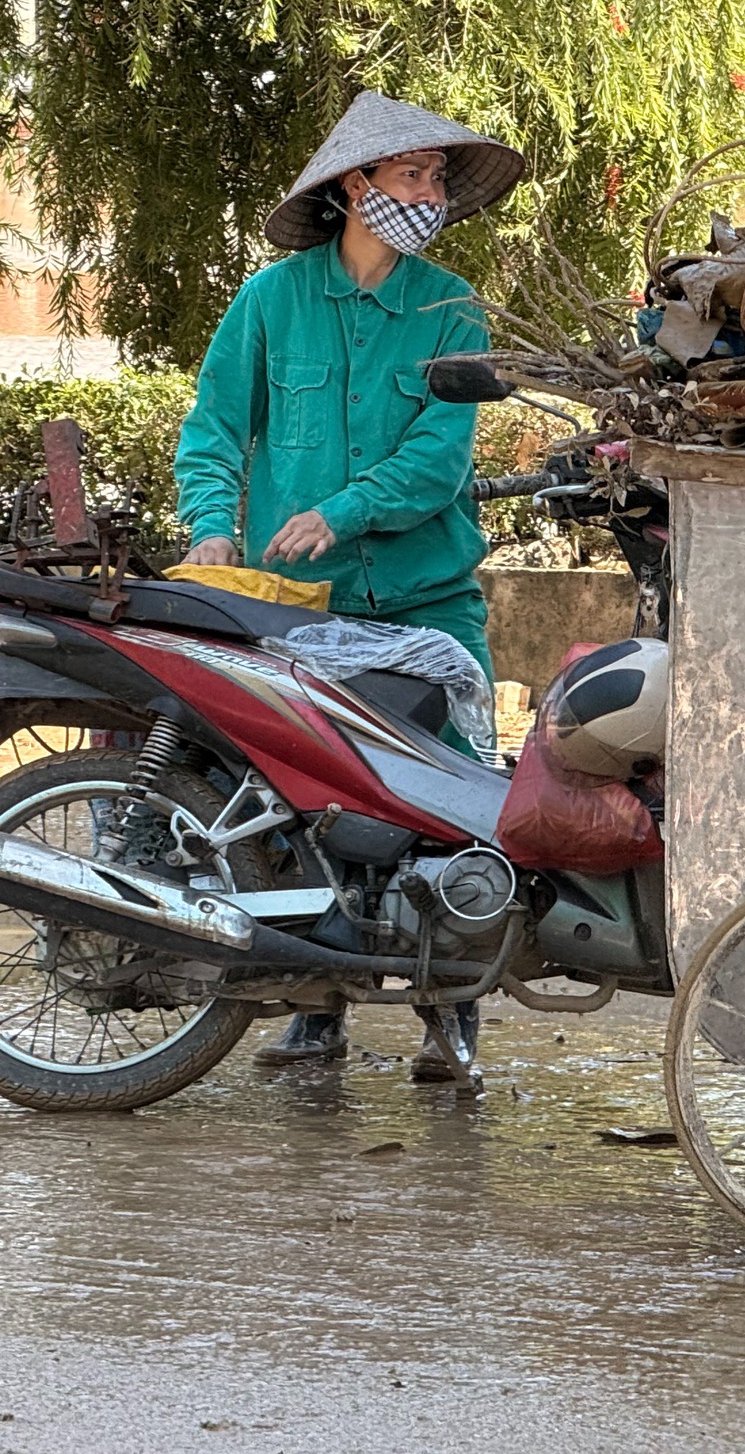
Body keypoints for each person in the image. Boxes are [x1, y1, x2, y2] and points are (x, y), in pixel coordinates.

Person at [173, 90, 526, 1085]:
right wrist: (212, 528)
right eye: (411, 174)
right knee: (290, 803)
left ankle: (451, 1016)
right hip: (297, 607)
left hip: (426, 599)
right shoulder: (270, 302)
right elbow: (210, 433)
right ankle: (314, 1008)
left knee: (453, 806)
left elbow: (438, 461)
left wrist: (342, 509)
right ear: (354, 186)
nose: (429, 193)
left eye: (436, 178)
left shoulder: (453, 306)